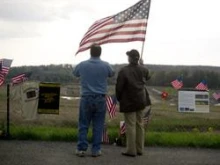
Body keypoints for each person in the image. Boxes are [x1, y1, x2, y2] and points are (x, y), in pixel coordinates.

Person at [73, 44, 115, 157]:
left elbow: (75, 73)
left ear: (90, 52)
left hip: (86, 98)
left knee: (83, 124)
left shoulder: (82, 65)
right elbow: (112, 73)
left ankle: (81, 149)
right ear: (100, 53)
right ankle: (96, 150)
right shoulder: (105, 65)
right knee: (98, 125)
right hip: (100, 98)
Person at [115, 49, 151, 157]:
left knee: (130, 125)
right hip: (141, 100)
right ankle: (140, 149)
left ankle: (131, 150)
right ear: (138, 59)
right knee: (140, 124)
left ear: (130, 58)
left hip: (129, 101)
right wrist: (143, 65)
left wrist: (119, 98)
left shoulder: (123, 71)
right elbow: (148, 76)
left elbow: (119, 87)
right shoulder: (144, 69)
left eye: (129, 56)